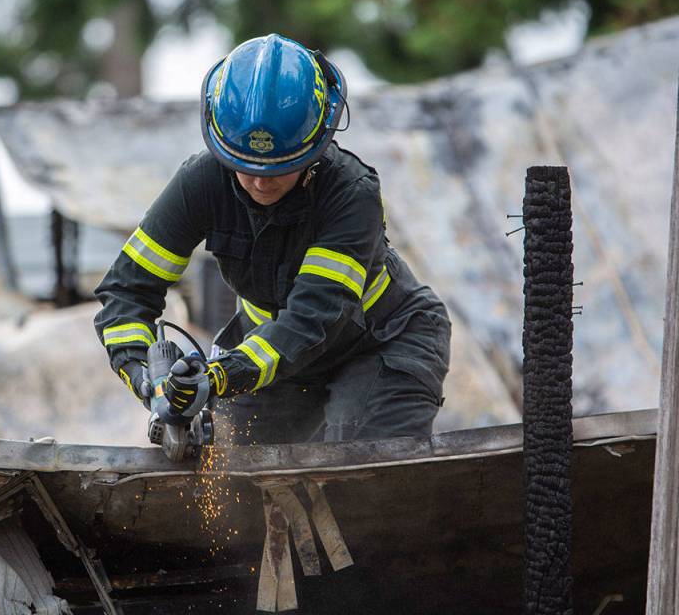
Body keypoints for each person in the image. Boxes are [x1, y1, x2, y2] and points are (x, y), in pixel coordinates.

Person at [93, 33, 451, 445]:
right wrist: (146, 379)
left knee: (357, 467)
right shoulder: (200, 183)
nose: (261, 182)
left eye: (281, 167)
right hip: (271, 355)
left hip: (382, 341)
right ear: (220, 146)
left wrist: (220, 376)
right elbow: (127, 292)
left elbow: (312, 319)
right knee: (230, 468)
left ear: (318, 146)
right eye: (244, 166)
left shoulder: (352, 194)